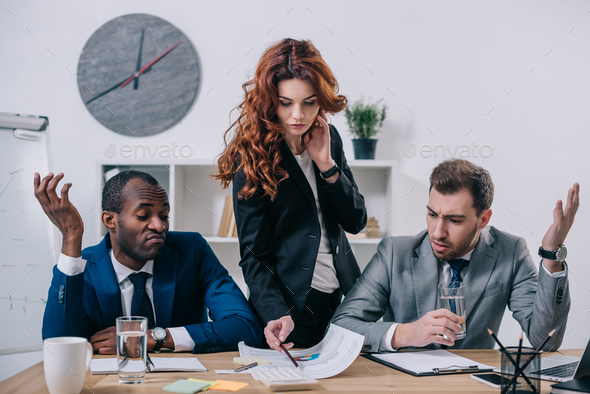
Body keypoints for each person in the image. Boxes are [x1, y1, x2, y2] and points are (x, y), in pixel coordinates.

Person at [214, 38, 367, 350]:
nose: (298, 115)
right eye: (286, 103)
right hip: (289, 309)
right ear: (271, 100)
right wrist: (276, 312)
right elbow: (255, 255)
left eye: (309, 102)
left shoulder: (329, 137)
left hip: (340, 299)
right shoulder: (252, 156)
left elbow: (356, 221)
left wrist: (326, 164)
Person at [331, 159, 579, 352]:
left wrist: (552, 253)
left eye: (454, 220)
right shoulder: (395, 253)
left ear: (483, 219)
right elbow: (341, 326)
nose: (438, 233)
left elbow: (544, 342)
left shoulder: (510, 252)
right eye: (432, 215)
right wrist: (407, 333)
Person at [35, 170, 263, 354]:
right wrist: (71, 238)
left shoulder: (192, 250)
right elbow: (57, 346)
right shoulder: (83, 266)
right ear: (110, 220)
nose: (159, 226)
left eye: (164, 216)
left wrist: (151, 337)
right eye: (144, 216)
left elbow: (245, 326)